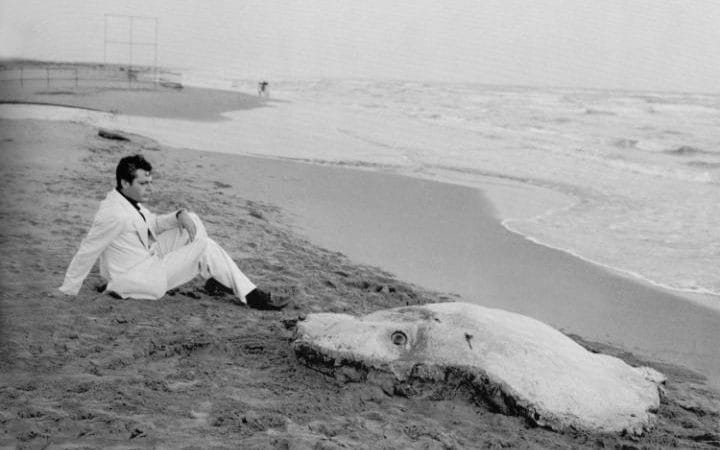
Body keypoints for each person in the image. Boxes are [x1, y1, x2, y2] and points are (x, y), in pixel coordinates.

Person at [58, 154, 281, 309]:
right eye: (143, 183)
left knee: (191, 219)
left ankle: (214, 274)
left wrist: (178, 216)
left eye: (150, 182)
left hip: (145, 258)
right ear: (125, 183)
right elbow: (88, 249)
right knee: (205, 246)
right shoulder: (114, 213)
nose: (149, 188)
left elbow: (151, 224)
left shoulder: (126, 200)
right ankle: (251, 295)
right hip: (138, 277)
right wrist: (68, 289)